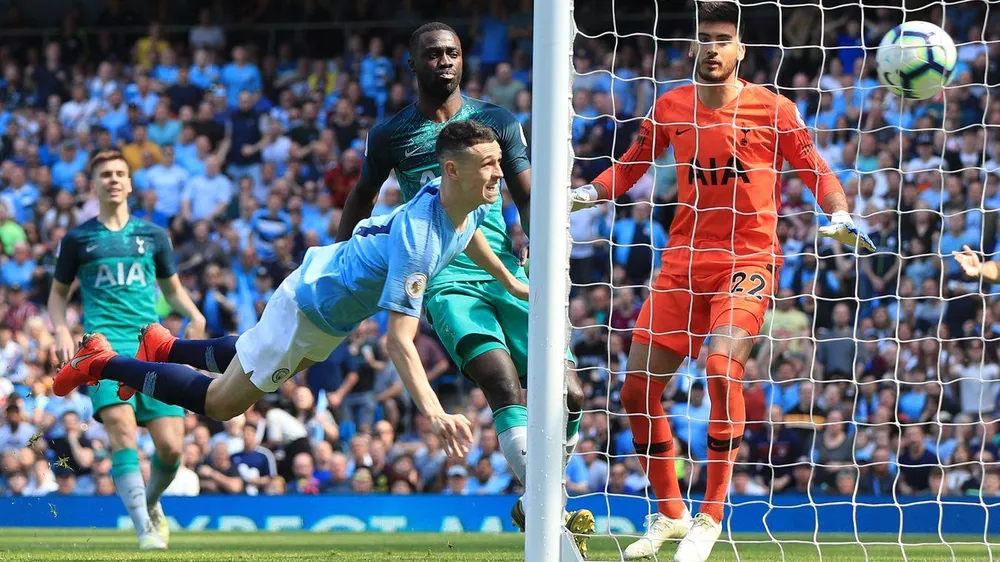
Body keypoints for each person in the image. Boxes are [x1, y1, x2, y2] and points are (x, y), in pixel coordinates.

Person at [570, 3, 875, 561]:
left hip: (748, 261)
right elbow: (632, 165)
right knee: (637, 393)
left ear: (740, 52)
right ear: (694, 46)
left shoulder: (772, 109)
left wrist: (838, 213)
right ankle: (668, 513)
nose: (712, 48)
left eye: (723, 40)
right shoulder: (671, 106)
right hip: (682, 264)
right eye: (704, 38)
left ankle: (711, 516)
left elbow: (818, 171)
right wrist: (586, 193)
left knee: (720, 366)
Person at [54, 120, 523, 461]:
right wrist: (435, 413)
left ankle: (167, 346)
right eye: (488, 165)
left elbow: (472, 235)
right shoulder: (419, 239)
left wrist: (509, 281)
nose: (499, 174)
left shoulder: (468, 199)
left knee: (249, 353)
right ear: (452, 170)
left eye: (499, 163)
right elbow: (397, 341)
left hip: (334, 309)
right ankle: (101, 360)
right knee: (223, 403)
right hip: (309, 305)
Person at [335, 22, 594, 554]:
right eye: (433, 54)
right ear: (413, 64)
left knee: (570, 393)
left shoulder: (497, 120)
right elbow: (361, 196)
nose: (445, 61)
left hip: (506, 270)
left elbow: (528, 196)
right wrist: (340, 257)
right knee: (503, 385)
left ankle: (539, 500)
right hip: (447, 278)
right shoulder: (391, 135)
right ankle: (556, 524)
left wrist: (539, 252)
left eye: (452, 52)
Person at [48, 149, 206, 551]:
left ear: (130, 183)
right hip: (102, 347)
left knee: (172, 447)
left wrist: (194, 315)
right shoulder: (78, 239)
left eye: (120, 173)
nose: (114, 179)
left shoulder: (153, 236)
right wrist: (62, 331)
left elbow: (171, 289)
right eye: (105, 174)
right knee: (121, 433)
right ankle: (144, 530)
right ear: (95, 184)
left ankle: (150, 503)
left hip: (151, 344)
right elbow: (57, 297)